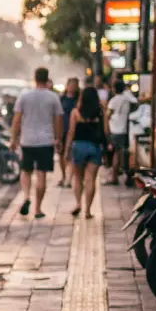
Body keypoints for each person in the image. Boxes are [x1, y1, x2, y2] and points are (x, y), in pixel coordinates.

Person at [10, 67, 63, 219]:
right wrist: (58, 138)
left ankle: (26, 196)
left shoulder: (24, 95)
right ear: (47, 79)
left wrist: (14, 139)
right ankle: (38, 209)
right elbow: (58, 120)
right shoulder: (53, 97)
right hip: (46, 141)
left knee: (26, 171)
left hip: (27, 140)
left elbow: (17, 119)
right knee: (41, 175)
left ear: (35, 78)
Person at [64, 86, 107, 220]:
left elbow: (71, 132)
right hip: (94, 147)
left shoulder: (76, 112)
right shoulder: (100, 112)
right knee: (91, 179)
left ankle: (78, 204)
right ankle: (88, 210)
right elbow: (105, 131)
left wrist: (67, 149)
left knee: (78, 178)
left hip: (79, 147)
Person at [107, 79, 137, 186]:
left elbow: (108, 114)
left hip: (114, 129)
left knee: (116, 154)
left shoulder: (113, 101)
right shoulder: (126, 99)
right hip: (124, 129)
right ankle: (122, 174)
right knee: (121, 153)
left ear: (114, 89)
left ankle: (114, 177)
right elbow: (136, 102)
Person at [58, 78, 80, 188]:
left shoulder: (79, 100)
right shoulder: (61, 99)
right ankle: (63, 175)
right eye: (70, 85)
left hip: (75, 131)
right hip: (63, 129)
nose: (72, 87)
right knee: (61, 155)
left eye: (74, 85)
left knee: (72, 155)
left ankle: (69, 178)